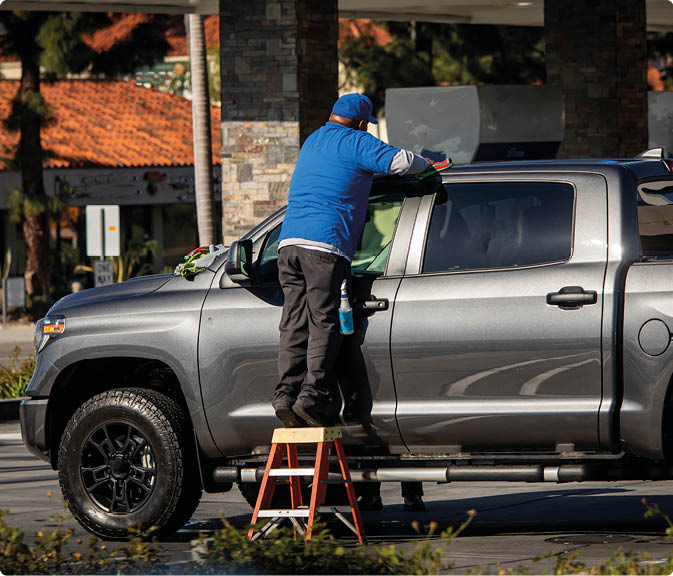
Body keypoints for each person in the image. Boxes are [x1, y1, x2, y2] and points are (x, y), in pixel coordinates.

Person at [272, 93, 430, 428]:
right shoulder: (356, 141)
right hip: (325, 246)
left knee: (294, 321)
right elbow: (401, 161)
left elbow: (343, 176)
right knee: (323, 321)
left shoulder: (313, 140)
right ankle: (312, 398)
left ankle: (285, 395)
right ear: (361, 123)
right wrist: (429, 165)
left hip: (288, 245)